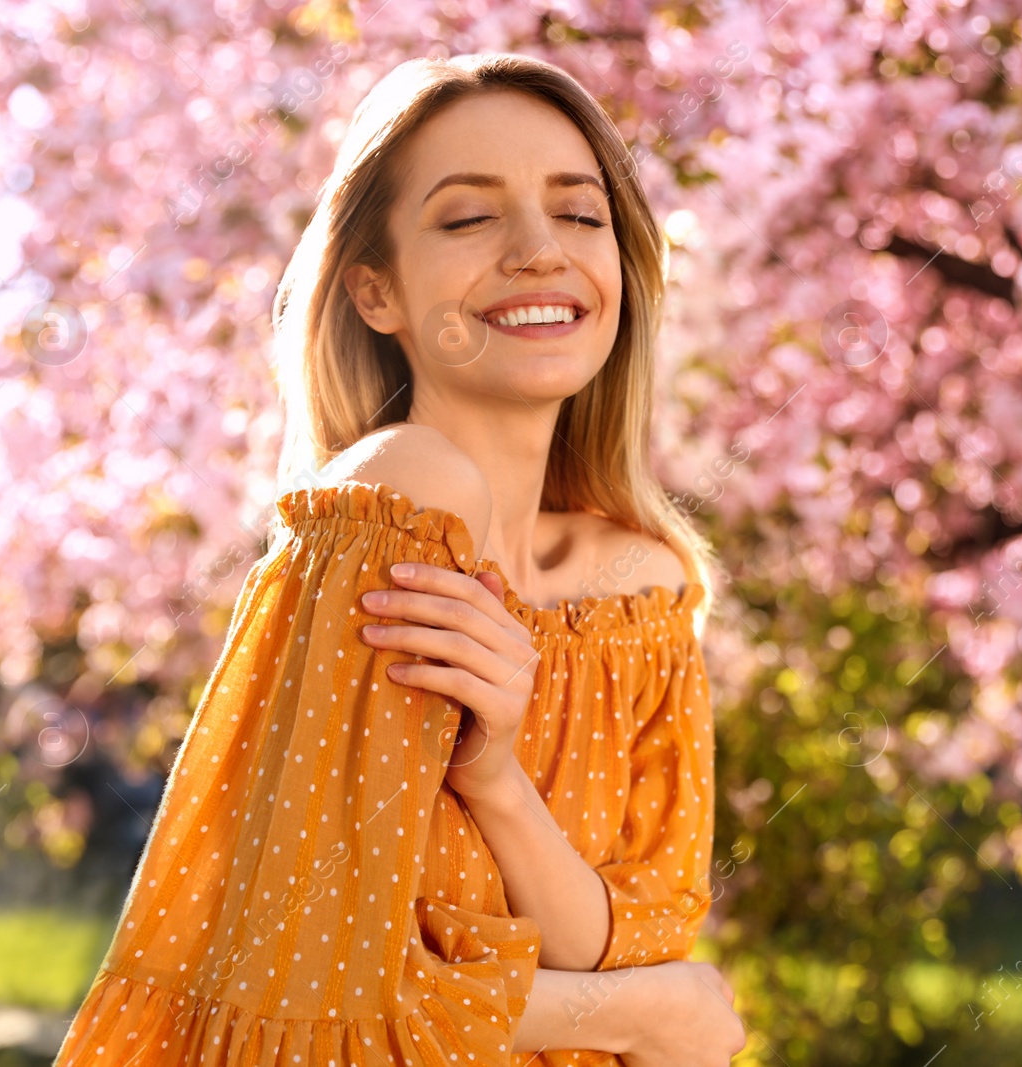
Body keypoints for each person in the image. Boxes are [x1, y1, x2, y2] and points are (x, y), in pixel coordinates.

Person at [53, 52, 747, 1066]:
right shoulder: (393, 504)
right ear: (375, 291)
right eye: (469, 219)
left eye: (579, 214)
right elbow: (304, 993)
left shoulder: (641, 587)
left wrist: (498, 777)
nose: (538, 251)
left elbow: (641, 937)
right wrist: (645, 1014)